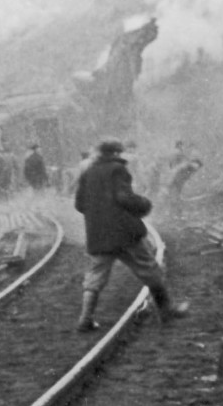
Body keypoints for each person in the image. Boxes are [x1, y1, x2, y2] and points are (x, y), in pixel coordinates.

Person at [74, 138, 188, 331]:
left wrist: (99, 214)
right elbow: (123, 197)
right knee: (149, 268)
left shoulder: (89, 172)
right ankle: (166, 310)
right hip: (123, 233)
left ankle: (85, 319)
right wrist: (143, 204)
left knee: (95, 275)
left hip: (99, 234)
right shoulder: (117, 170)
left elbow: (79, 204)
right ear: (117, 153)